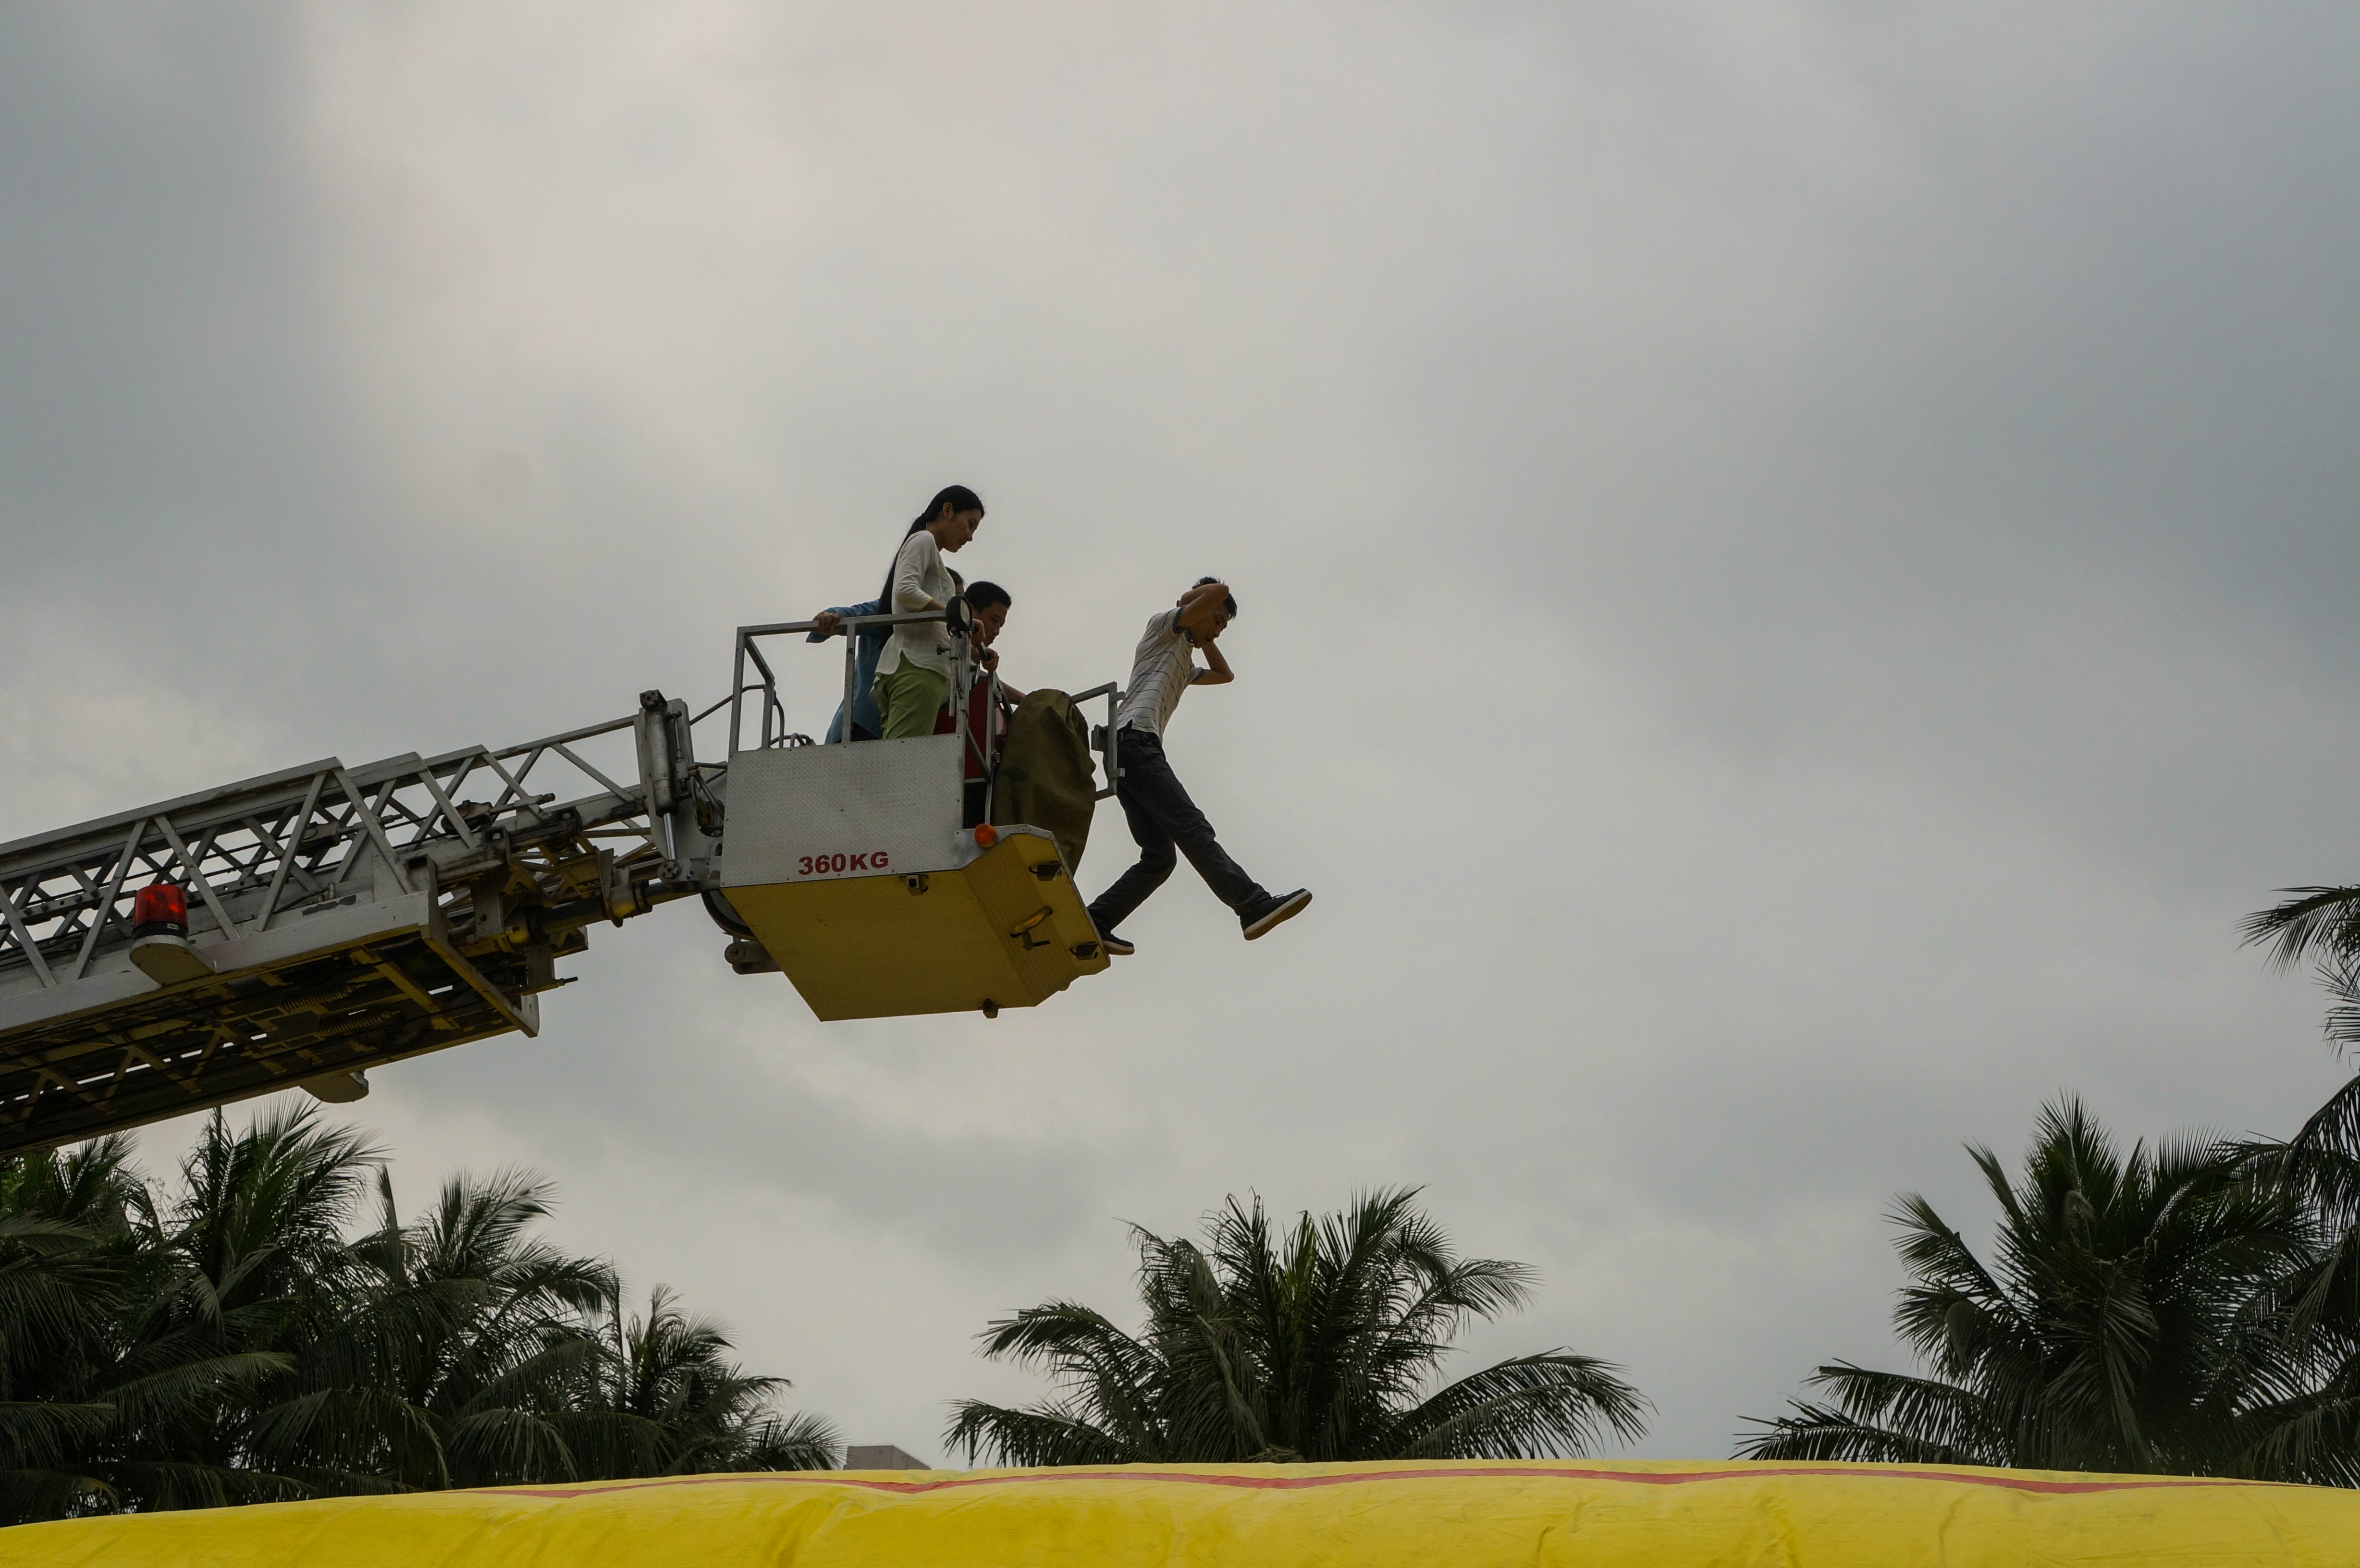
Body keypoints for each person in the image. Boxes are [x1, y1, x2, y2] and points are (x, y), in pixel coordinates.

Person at [1085, 577, 1310, 954]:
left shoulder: (1186, 663)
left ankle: (1098, 920)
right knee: (1191, 826)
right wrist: (1194, 603)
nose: (1219, 630)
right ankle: (1251, 905)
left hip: (1128, 750)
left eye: (1223, 627)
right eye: (1217, 620)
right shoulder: (1163, 629)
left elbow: (1225, 675)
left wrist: (1205, 636)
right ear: (1196, 609)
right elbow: (1219, 592)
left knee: (1160, 858)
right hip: (1135, 741)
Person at [872, 486, 984, 740]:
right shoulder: (924, 540)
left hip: (910, 666)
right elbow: (905, 592)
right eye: (970, 524)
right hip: (919, 668)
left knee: (896, 753)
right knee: (905, 758)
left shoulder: (929, 550)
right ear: (948, 510)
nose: (970, 537)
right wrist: (957, 615)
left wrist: (974, 650)